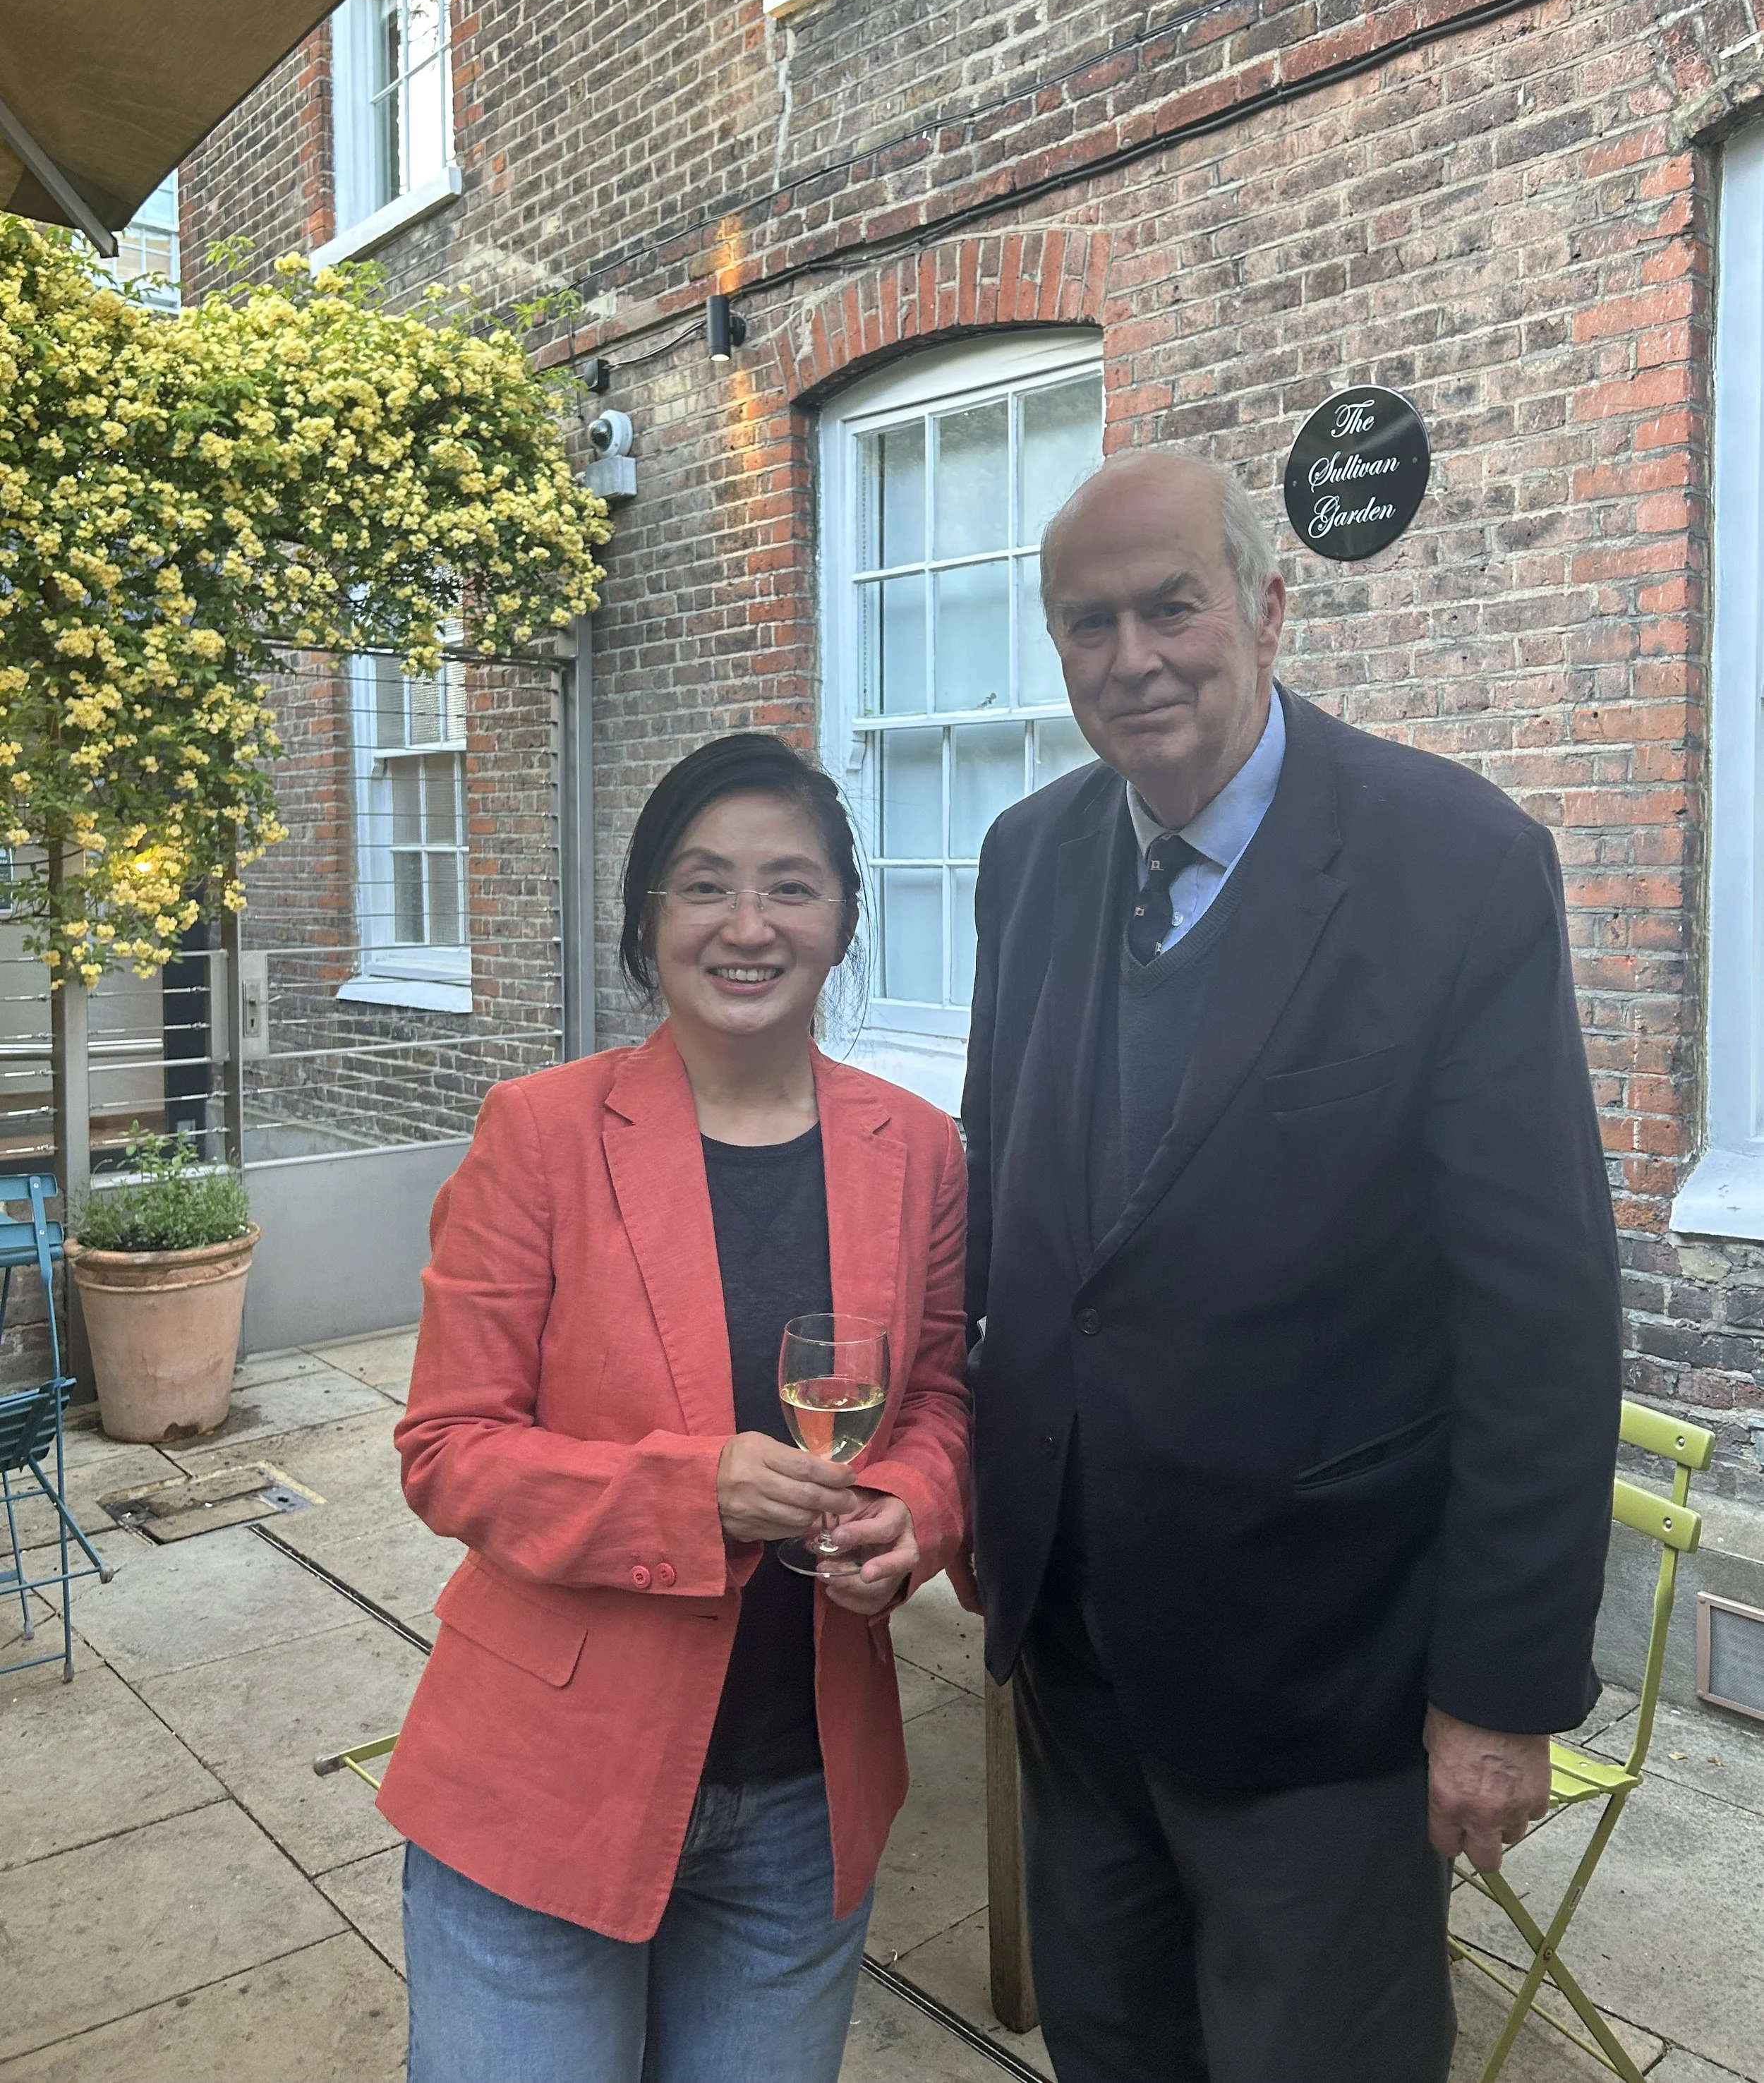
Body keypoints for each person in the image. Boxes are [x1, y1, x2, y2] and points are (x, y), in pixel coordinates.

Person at [961, 450, 1622, 2083]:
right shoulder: (1028, 859)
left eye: (1170, 605)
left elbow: (1538, 1316)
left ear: (1264, 605)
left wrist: (1496, 1691)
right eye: (1086, 622)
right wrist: (990, 1498)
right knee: (1114, 2050)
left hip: (1324, 1671)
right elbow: (1009, 1213)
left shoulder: (1451, 862)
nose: (1131, 658)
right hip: (1074, 1654)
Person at [378, 732, 970, 2083]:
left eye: (791, 887)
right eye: (704, 886)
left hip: (802, 1798)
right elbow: (446, 1448)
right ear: (648, 921)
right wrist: (680, 1494)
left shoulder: (914, 1148)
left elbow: (937, 1395)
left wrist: (910, 1514)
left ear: (843, 920)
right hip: (546, 1781)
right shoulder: (539, 1132)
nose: (748, 926)